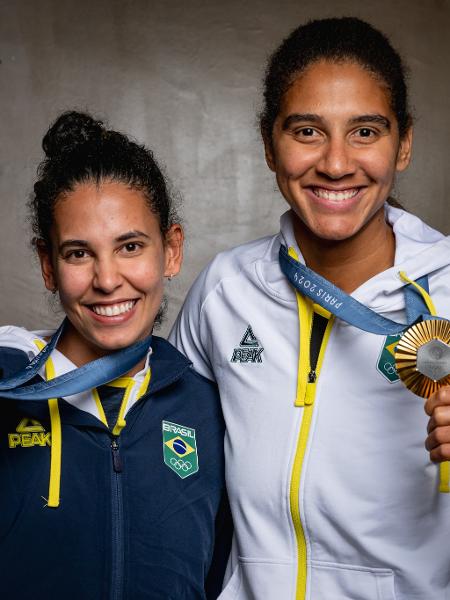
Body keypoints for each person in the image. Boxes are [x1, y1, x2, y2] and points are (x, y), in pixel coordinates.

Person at [170, 17, 450, 600]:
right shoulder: (225, 290)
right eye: (307, 131)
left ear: (404, 144)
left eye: (366, 132)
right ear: (270, 145)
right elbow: (168, 457)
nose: (337, 163)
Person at [0, 111, 229, 599]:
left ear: (171, 250)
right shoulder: (7, 384)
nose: (107, 280)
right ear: (48, 264)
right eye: (79, 253)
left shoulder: (208, 407)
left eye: (129, 246)